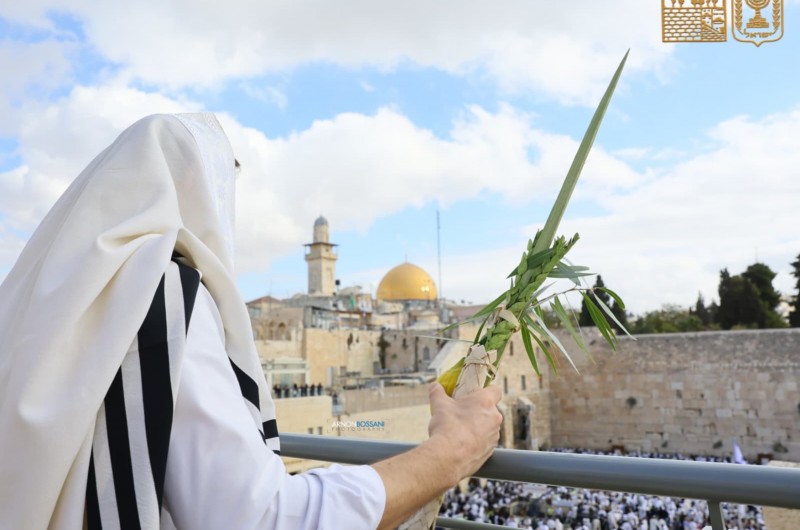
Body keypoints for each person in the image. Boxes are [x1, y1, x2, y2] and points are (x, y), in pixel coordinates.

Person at [0, 113, 502, 529]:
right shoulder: (159, 297)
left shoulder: (45, 316)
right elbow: (260, 518)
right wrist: (450, 452)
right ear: (196, 190)